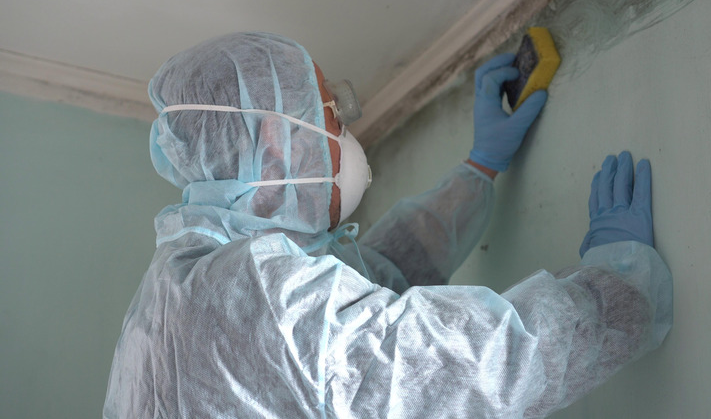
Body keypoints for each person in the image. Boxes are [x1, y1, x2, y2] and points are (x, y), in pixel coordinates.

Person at [104, 32, 672, 418]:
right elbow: (468, 366)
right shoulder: (261, 291)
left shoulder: (175, 294)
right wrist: (617, 290)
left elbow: (377, 275)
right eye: (331, 113)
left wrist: (479, 168)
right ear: (275, 144)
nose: (344, 132)